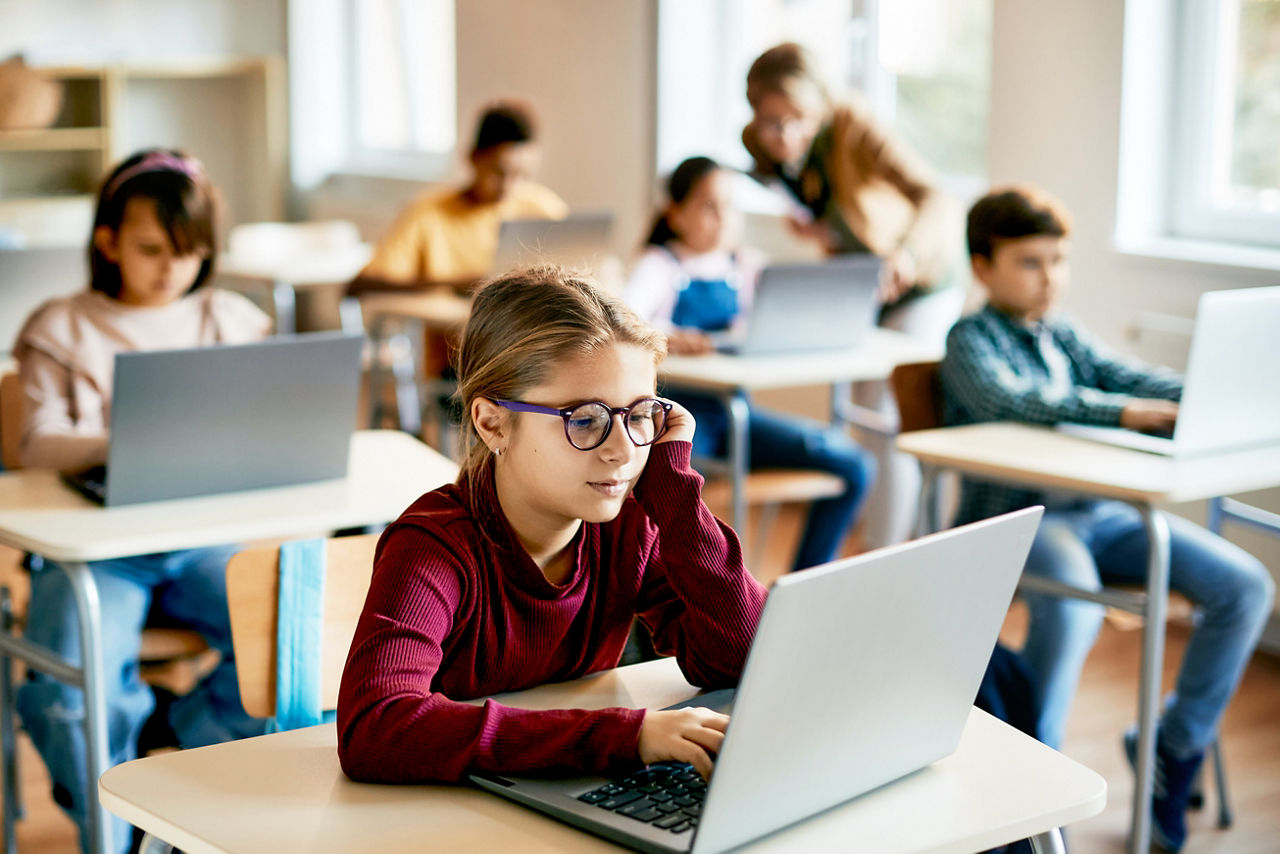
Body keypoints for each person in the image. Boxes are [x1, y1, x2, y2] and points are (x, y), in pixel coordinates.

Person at [337, 267, 767, 785]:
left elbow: (741, 656)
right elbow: (375, 728)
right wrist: (624, 737)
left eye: (640, 415)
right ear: (492, 421)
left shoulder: (628, 527)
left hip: (561, 791)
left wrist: (674, 489)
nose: (623, 450)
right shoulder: (435, 547)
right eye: (584, 419)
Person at [940, 185, 1274, 852]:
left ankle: (1173, 750)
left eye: (1058, 260)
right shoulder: (969, 338)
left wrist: (1208, 387)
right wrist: (1119, 412)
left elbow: (1125, 376)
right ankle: (1032, 794)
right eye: (1030, 262)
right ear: (982, 266)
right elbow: (1019, 400)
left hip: (1097, 513)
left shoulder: (1059, 331)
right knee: (1074, 607)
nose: (1049, 278)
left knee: (1245, 587)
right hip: (1022, 518)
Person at [12, 148, 272, 854]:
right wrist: (132, 436)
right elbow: (37, 445)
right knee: (71, 696)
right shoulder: (59, 327)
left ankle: (177, 736)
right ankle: (120, 838)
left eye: (188, 253)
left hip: (204, 543)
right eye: (153, 250)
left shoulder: (233, 318)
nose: (171, 269)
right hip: (95, 554)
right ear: (108, 242)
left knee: (296, 651)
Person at [742, 42, 967, 550]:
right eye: (771, 120)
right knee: (863, 420)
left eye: (797, 118)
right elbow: (794, 187)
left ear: (820, 105)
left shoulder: (854, 124)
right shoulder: (758, 145)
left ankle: (886, 556)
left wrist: (907, 253)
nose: (784, 134)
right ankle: (866, 553)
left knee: (888, 416)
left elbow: (937, 196)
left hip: (919, 282)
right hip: (858, 288)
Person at [624, 155, 875, 572]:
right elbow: (626, 324)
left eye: (730, 206)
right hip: (674, 422)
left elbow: (785, 319)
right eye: (708, 205)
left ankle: (803, 584)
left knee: (854, 465)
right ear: (675, 212)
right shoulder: (659, 265)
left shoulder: (749, 265)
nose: (723, 218)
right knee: (663, 486)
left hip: (735, 419)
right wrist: (666, 336)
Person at [357, 99, 568, 288]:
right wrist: (465, 285)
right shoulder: (427, 213)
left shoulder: (543, 209)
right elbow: (363, 283)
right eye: (499, 172)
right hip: (450, 330)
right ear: (472, 158)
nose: (508, 186)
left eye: (522, 175)